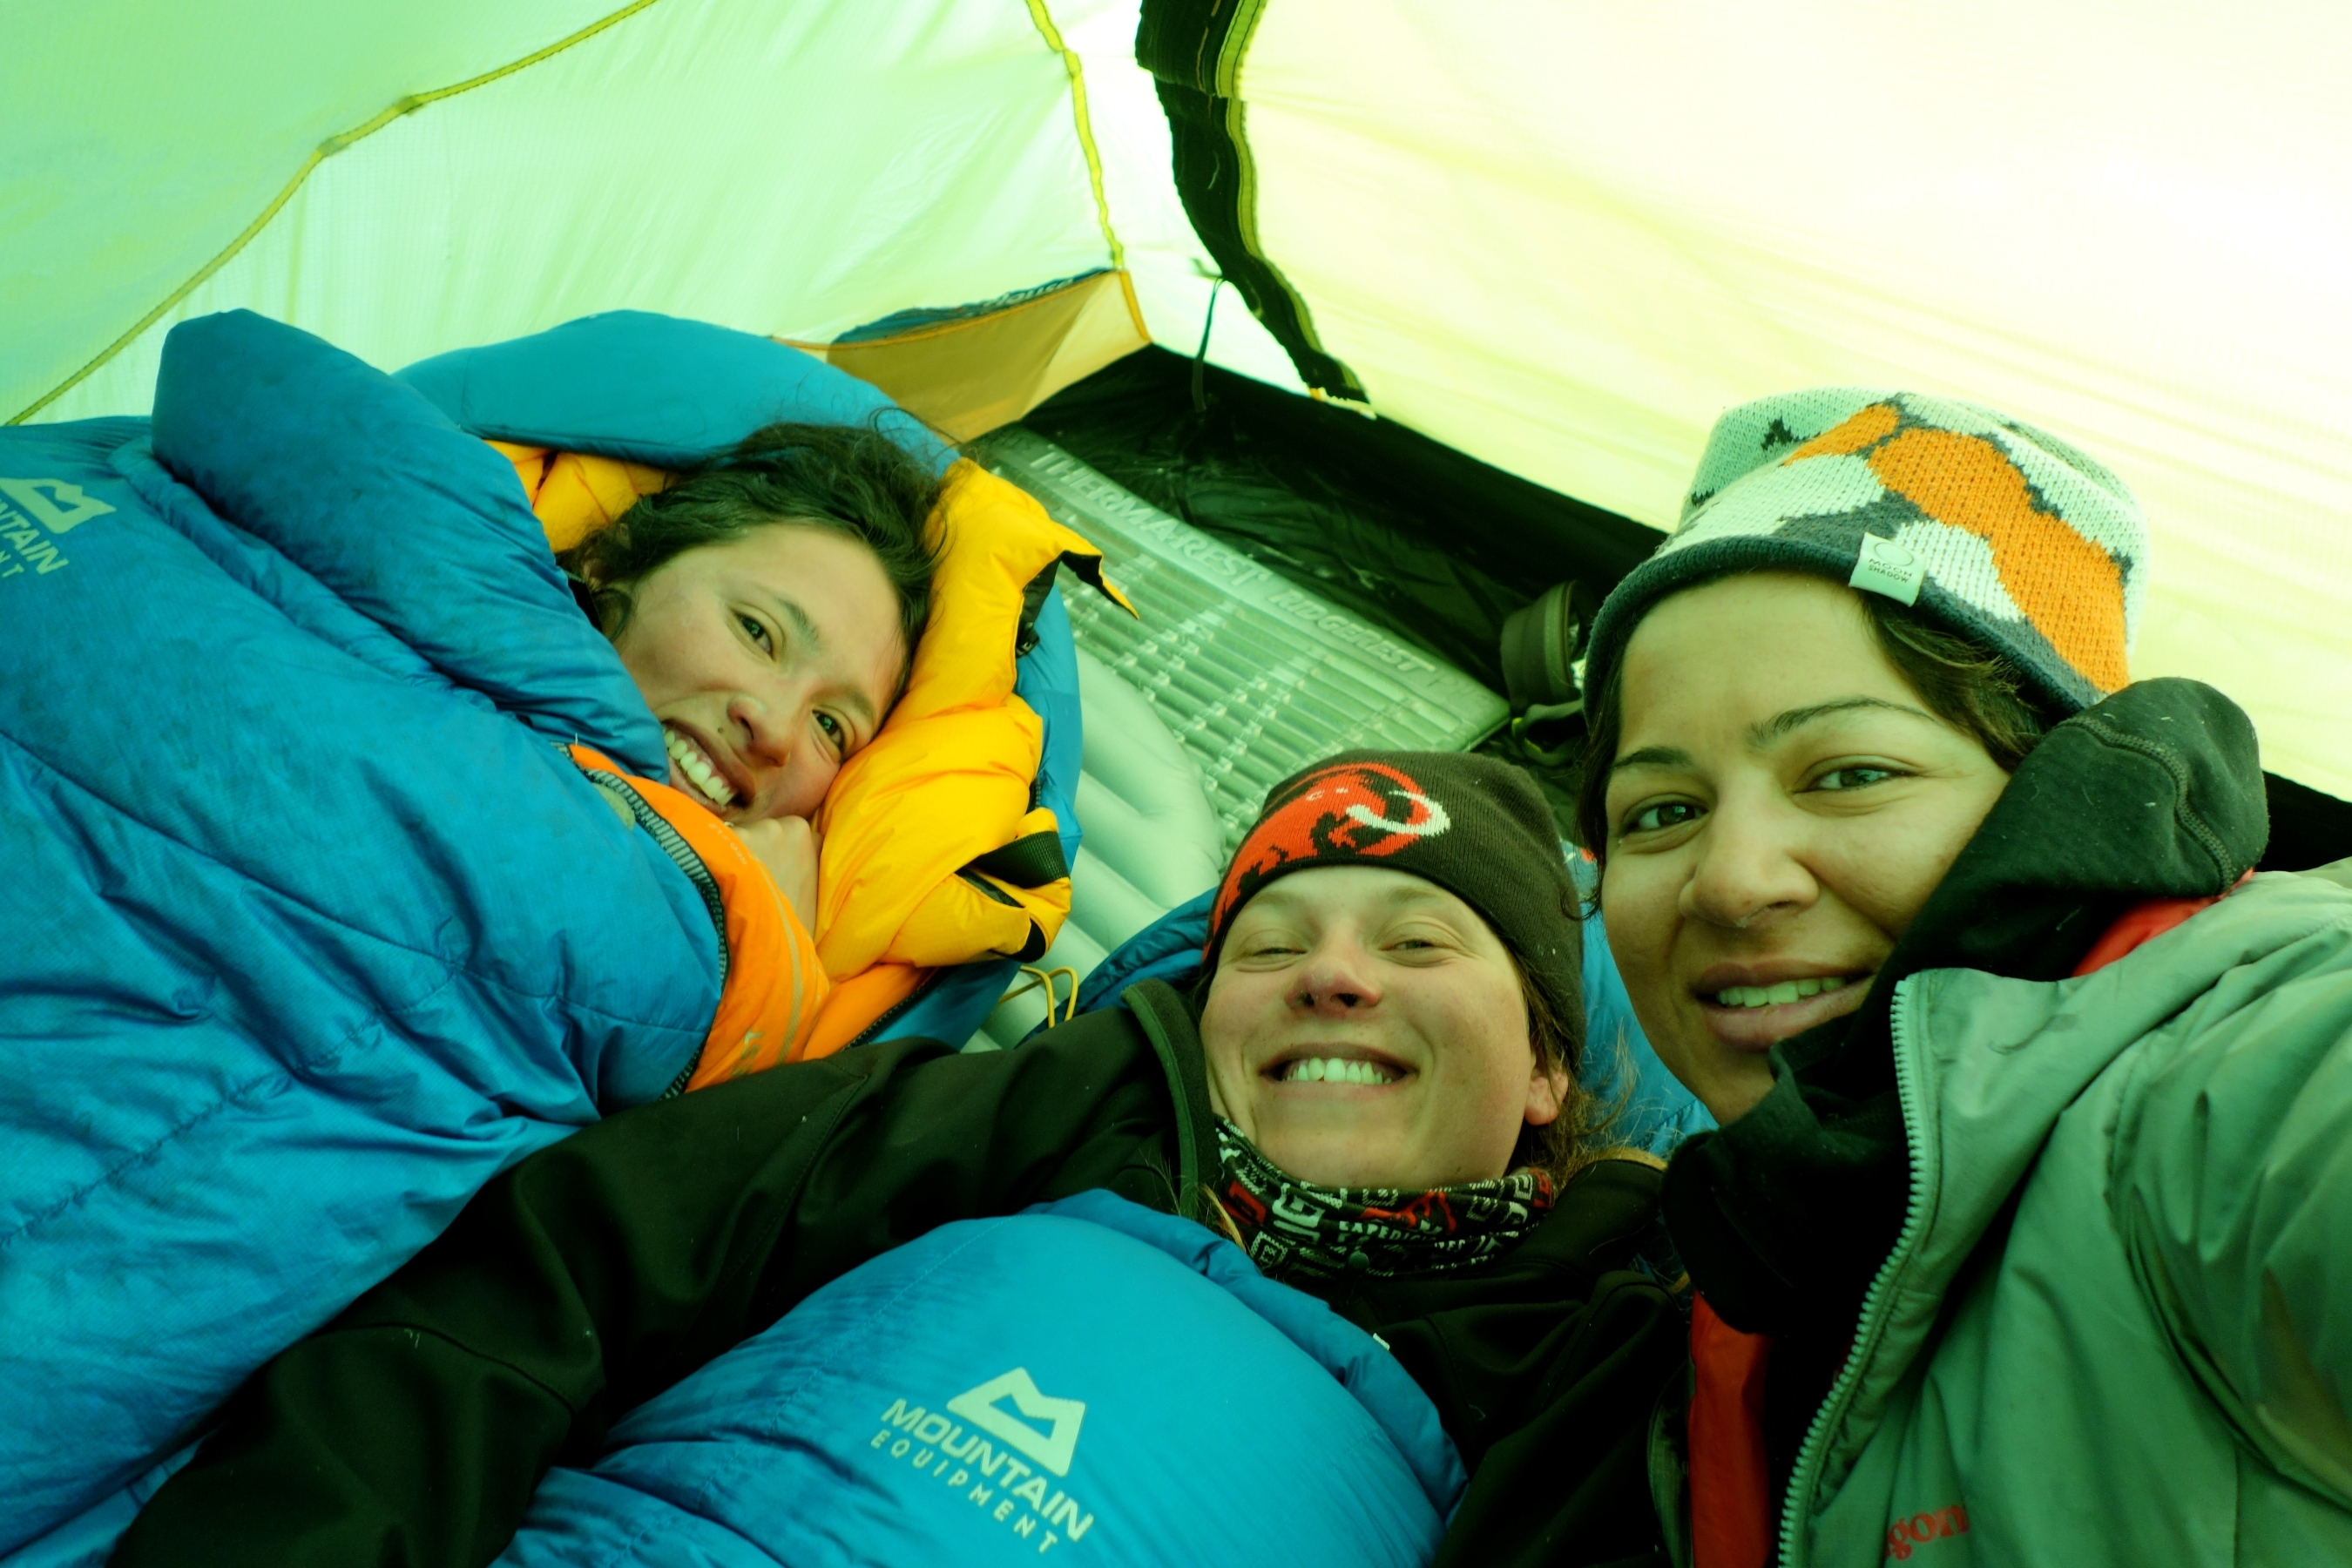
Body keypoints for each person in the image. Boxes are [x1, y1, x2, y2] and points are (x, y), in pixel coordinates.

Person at [112, 751, 1689, 1568]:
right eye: (1270, 943)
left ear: (1551, 1067)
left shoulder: (1601, 1372)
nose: (1335, 976)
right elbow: (538, 1285)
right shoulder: (989, 1127)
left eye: (1418, 941)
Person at [1572, 389, 2352, 1565]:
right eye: (1663, 809)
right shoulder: (1757, 1270)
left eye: (1848, 773)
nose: (1732, 882)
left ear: (2049, 790)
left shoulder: (2219, 1077)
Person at [552, 420, 943, 923]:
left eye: (830, 726)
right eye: (758, 632)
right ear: (608, 563)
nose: (776, 733)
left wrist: (767, 955)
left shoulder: (766, 960)